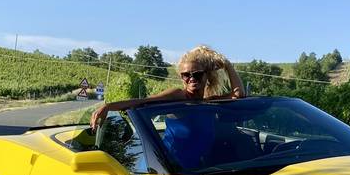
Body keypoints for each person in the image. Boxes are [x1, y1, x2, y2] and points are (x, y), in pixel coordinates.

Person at [89, 45, 245, 131]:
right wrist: (108, 107)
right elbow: (143, 102)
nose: (191, 79)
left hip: (202, 168)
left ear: (206, 76)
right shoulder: (178, 95)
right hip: (171, 167)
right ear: (181, 78)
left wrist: (227, 65)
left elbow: (238, 96)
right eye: (186, 75)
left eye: (197, 74)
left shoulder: (208, 102)